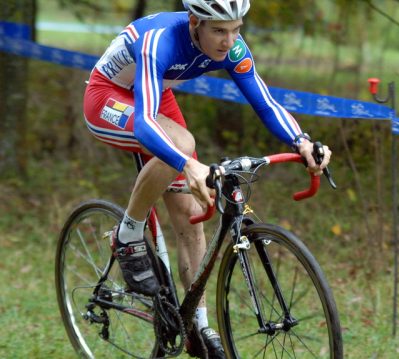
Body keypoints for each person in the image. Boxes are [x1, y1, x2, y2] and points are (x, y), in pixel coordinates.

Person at [82, 0, 331, 357]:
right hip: (108, 96)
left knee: (191, 219)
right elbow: (145, 123)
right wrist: (187, 163)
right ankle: (129, 232)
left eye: (236, 29)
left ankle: (196, 324)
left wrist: (302, 142)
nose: (228, 41)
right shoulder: (160, 41)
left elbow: (265, 103)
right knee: (182, 145)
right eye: (218, 30)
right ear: (195, 22)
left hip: (154, 95)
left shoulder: (232, 47)